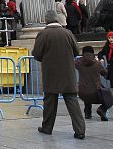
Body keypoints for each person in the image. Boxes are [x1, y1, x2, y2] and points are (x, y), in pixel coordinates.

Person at [31, 9, 86, 140]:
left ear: (46, 20)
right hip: (68, 73)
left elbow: (36, 54)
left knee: (50, 102)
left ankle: (47, 127)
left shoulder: (43, 34)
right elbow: (76, 51)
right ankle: (80, 130)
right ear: (57, 19)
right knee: (72, 101)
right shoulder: (67, 33)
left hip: (50, 73)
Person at [75, 45, 109, 121]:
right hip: (95, 92)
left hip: (82, 92)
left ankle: (87, 114)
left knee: (87, 95)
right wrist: (97, 61)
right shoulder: (97, 64)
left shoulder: (78, 63)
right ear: (93, 53)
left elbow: (75, 63)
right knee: (108, 98)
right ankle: (102, 109)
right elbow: (105, 73)